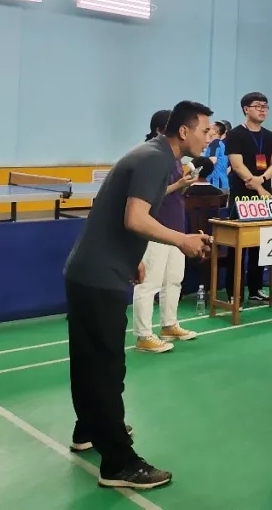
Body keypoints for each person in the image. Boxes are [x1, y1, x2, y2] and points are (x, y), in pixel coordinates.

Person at [63, 100, 213, 490]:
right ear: (184, 131)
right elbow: (135, 217)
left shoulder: (151, 154)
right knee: (107, 368)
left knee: (90, 362)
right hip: (99, 276)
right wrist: (181, 239)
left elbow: (115, 211)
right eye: (204, 130)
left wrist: (131, 259)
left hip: (92, 269)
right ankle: (118, 463)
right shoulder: (156, 159)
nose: (209, 138)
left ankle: (88, 429)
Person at [131, 110, 206, 354]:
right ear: (159, 131)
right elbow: (150, 196)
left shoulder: (174, 159)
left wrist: (184, 185)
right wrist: (178, 184)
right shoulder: (151, 158)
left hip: (176, 228)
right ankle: (143, 335)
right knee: (148, 284)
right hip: (156, 228)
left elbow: (173, 193)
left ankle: (169, 325)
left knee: (173, 280)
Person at [224, 93, 272, 302]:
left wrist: (262, 180)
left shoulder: (270, 136)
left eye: (265, 106)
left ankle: (255, 289)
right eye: (258, 106)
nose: (263, 110)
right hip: (241, 197)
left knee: (261, 243)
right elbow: (237, 165)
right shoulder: (235, 135)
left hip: (264, 195)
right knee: (238, 246)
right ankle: (234, 292)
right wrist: (257, 187)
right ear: (246, 109)